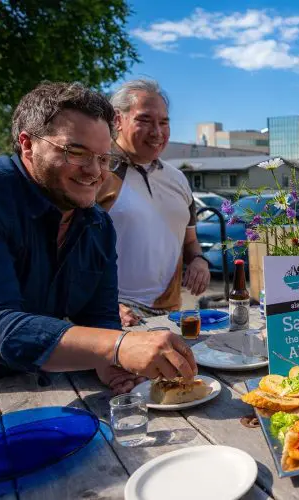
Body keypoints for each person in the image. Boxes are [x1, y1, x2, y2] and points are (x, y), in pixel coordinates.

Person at [0, 82, 197, 445]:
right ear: (27, 144)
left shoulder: (97, 224)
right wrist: (117, 346)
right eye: (76, 152)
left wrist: (111, 361)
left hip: (42, 404)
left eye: (103, 158)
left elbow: (99, 317)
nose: (95, 172)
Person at [96, 79, 210, 327]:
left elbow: (189, 241)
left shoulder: (178, 178)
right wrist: (102, 305)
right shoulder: (96, 173)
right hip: (117, 314)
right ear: (117, 121)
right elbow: (66, 253)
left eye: (164, 122)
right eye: (145, 120)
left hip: (172, 313)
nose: (157, 132)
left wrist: (199, 261)